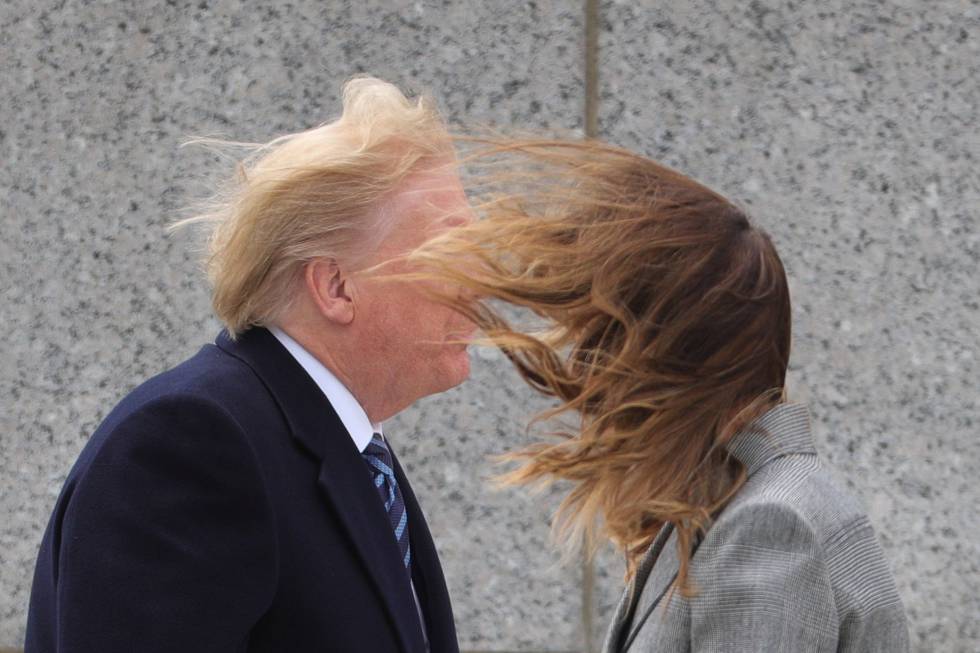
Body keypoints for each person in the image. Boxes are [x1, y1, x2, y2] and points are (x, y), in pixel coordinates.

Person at [25, 77, 473, 653]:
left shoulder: (345, 449)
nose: (484, 285)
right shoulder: (191, 445)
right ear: (335, 287)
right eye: (453, 254)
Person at [410, 139, 911, 652]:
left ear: (670, 352)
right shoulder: (738, 500)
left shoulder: (768, 522)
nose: (590, 370)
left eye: (608, 339)